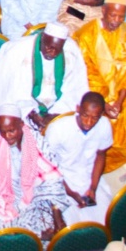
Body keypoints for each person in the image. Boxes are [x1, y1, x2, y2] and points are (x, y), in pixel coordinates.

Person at [74, 0, 126, 171]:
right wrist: (106, 103)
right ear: (103, 11)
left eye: (121, 16)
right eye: (113, 15)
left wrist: (119, 100)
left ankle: (105, 164)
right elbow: (87, 74)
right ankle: (88, 165)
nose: (117, 20)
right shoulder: (87, 35)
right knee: (97, 127)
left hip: (122, 92)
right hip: (93, 94)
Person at [0, 102, 68, 243]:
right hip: (2, 200)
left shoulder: (36, 141)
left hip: (35, 198)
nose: (7, 136)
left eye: (11, 131)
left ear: (21, 124)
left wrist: (57, 217)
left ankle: (31, 239)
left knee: (51, 237)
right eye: (3, 131)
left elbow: (52, 179)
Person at [0, 21, 89, 130]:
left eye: (57, 49)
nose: (52, 53)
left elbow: (75, 88)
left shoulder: (71, 51)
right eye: (49, 47)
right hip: (23, 108)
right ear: (42, 38)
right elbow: (7, 89)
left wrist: (56, 113)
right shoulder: (17, 50)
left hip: (57, 108)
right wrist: (31, 113)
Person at [45, 91, 114, 224]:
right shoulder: (57, 129)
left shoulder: (104, 125)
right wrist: (69, 192)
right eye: (85, 115)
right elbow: (48, 167)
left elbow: (100, 156)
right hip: (62, 180)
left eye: (95, 118)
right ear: (78, 109)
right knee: (73, 228)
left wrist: (93, 187)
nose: (89, 122)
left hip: (89, 176)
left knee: (106, 222)